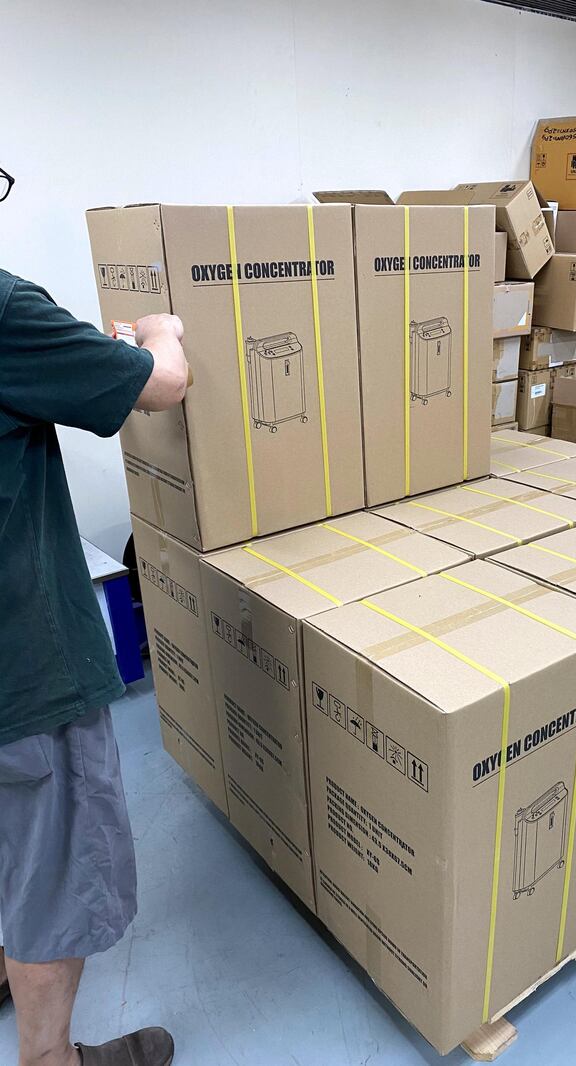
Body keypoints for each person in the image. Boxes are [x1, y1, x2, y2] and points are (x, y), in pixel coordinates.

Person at [0, 161, 188, 1066]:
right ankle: (48, 1060)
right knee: (52, 872)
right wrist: (158, 333)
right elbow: (160, 386)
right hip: (19, 665)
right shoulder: (1, 310)